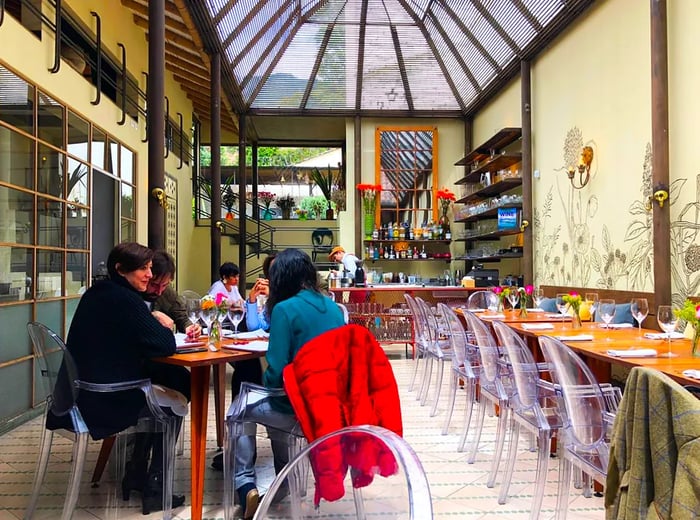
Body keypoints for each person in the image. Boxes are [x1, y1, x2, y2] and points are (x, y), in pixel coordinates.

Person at [63, 242, 189, 514]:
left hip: (80, 393)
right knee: (176, 399)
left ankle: (136, 472)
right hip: (106, 399)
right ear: (120, 270)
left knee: (175, 379)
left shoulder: (99, 293)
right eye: (142, 269)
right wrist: (162, 322)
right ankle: (156, 486)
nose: (148, 274)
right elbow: (164, 345)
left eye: (149, 268)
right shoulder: (126, 299)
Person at [233, 248, 345, 519]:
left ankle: (244, 483)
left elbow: (276, 372)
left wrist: (264, 385)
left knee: (240, 407)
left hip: (299, 409)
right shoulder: (332, 307)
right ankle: (284, 479)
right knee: (276, 400)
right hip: (331, 406)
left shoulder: (284, 309)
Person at [144, 249, 201, 339]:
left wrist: (190, 327)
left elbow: (181, 316)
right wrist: (151, 316)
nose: (159, 291)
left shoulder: (167, 292)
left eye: (164, 285)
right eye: (154, 284)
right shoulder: (132, 293)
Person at [244, 254, 275, 332]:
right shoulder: (270, 301)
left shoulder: (297, 296)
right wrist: (252, 299)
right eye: (271, 271)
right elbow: (255, 328)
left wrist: (274, 296)